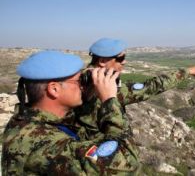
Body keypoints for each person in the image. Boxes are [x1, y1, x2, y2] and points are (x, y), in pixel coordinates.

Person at [1, 51, 142, 175]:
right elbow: (126, 164)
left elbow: (86, 134)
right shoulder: (44, 143)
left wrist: (91, 94)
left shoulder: (33, 119)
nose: (82, 85)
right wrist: (109, 100)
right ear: (54, 89)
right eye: (78, 81)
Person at [75, 38, 195, 138]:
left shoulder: (83, 78)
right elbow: (152, 86)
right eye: (120, 58)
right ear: (103, 61)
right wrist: (188, 72)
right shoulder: (100, 86)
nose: (124, 62)